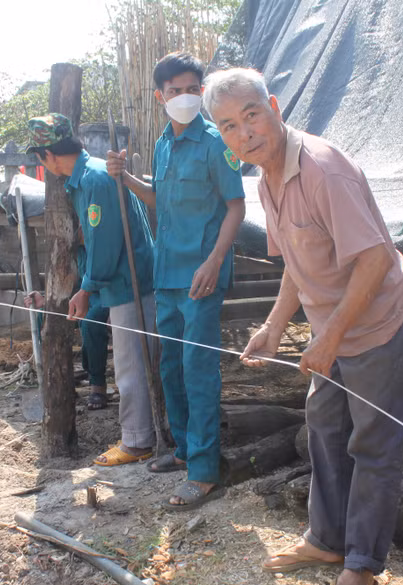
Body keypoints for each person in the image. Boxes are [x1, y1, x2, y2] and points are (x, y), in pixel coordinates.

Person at [204, 68, 403, 585]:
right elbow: (298, 264)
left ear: (274, 107)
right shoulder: (266, 178)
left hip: (374, 324)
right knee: (324, 429)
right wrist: (275, 327)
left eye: (251, 115)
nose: (244, 133)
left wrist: (331, 337)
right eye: (229, 126)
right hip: (332, 329)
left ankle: (361, 564)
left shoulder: (324, 170)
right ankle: (326, 539)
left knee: (374, 444)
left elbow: (375, 259)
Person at [107, 52, 245, 511]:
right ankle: (185, 448)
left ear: (201, 91)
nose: (184, 97)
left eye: (191, 89)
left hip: (202, 277)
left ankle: (204, 471)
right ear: (159, 97)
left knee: (197, 369)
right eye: (174, 91)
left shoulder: (216, 143)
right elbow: (159, 201)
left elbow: (236, 207)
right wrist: (125, 177)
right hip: (166, 275)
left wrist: (214, 261)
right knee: (170, 367)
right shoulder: (163, 144)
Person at [27, 113, 157, 464]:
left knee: (131, 364)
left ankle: (137, 440)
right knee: (139, 360)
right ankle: (151, 431)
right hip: (126, 279)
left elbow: (104, 243)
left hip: (128, 282)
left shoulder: (94, 180)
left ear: (47, 155)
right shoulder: (91, 175)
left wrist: (86, 290)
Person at [25, 235, 112, 410]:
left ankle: (98, 385)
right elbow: (69, 284)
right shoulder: (73, 250)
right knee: (47, 315)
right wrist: (47, 298)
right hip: (81, 297)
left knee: (90, 322)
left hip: (107, 297)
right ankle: (58, 381)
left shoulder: (102, 241)